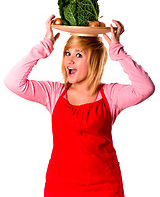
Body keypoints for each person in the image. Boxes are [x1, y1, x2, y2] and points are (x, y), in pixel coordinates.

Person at [4, 14, 155, 197]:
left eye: (78, 55)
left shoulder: (110, 95)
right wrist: (44, 46)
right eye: (67, 53)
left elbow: (145, 88)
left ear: (93, 60)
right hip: (60, 188)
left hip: (105, 188)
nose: (69, 60)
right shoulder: (54, 93)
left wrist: (117, 51)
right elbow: (13, 82)